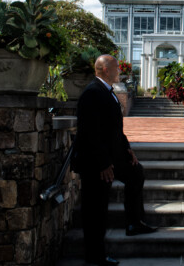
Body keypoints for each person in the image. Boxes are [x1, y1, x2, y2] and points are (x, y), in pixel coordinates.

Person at [70, 54, 156, 266]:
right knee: (95, 209)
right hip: (97, 163)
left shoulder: (107, 92)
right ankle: (95, 256)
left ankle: (134, 222)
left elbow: (115, 128)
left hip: (115, 156)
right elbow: (90, 133)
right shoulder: (92, 93)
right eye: (116, 67)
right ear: (106, 70)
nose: (120, 70)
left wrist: (128, 150)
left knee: (136, 174)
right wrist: (103, 164)